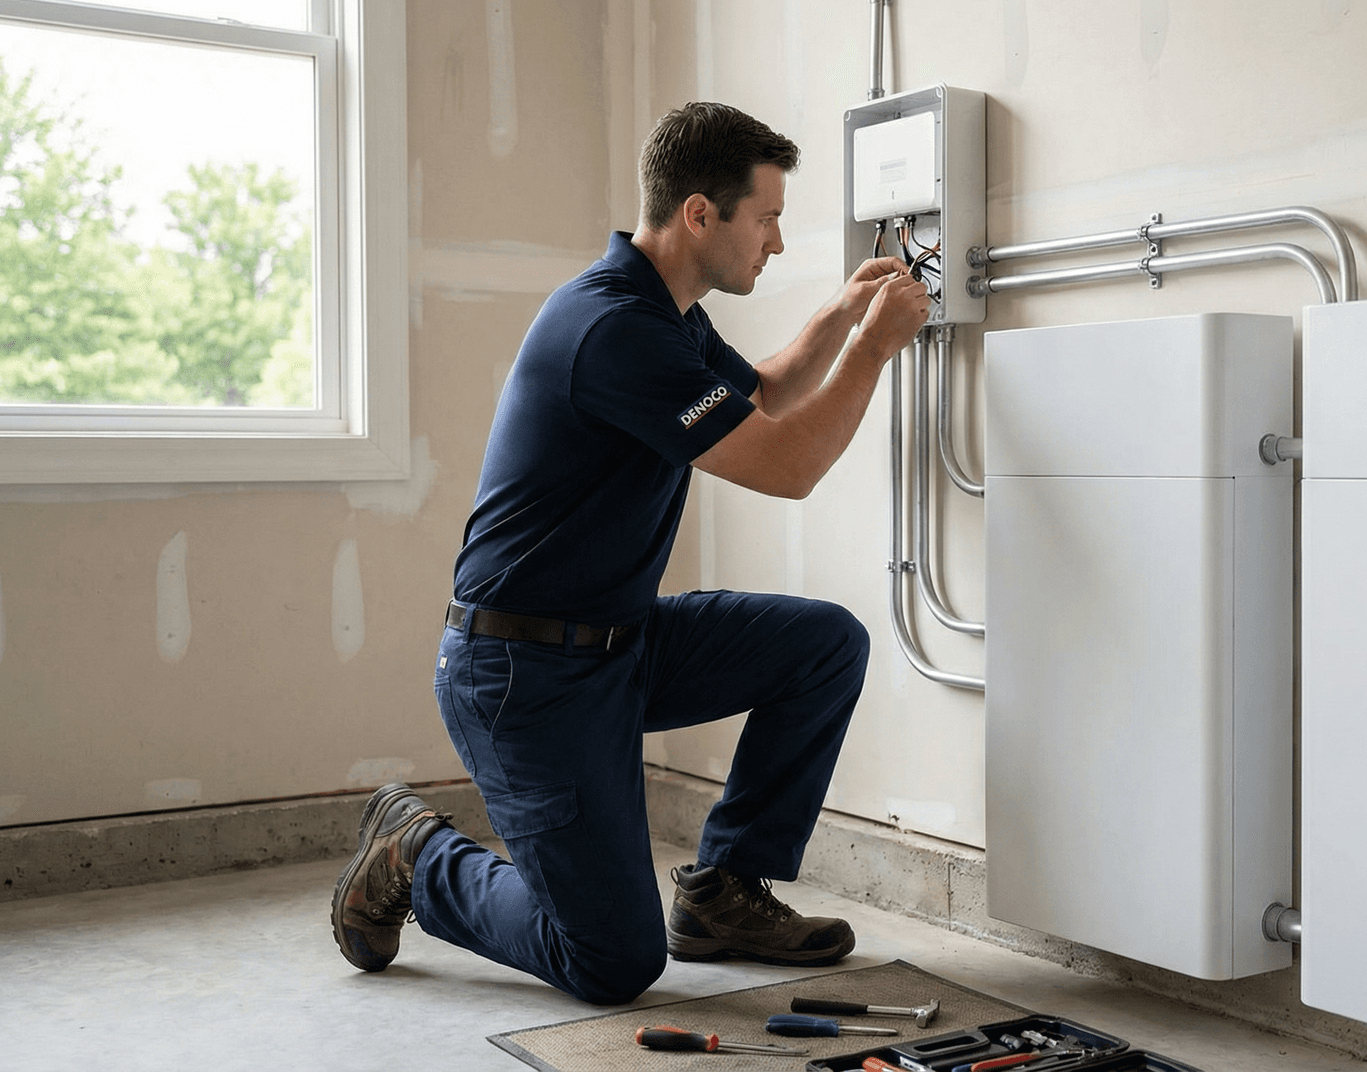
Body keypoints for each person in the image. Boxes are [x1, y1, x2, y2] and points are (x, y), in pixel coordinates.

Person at [328, 102, 929, 1005]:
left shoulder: (666, 313)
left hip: (617, 644)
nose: (776, 238)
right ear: (700, 214)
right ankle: (418, 857)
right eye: (765, 216)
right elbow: (790, 464)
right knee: (609, 960)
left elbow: (760, 395)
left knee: (822, 646)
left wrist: (844, 316)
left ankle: (724, 892)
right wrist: (878, 347)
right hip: (522, 674)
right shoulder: (614, 329)